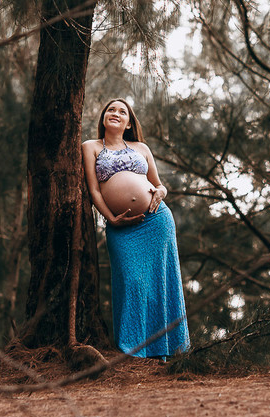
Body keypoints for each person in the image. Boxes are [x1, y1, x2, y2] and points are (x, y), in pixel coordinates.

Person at [81, 98, 190, 359]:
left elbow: (159, 185)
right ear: (104, 118)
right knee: (132, 282)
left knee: (160, 283)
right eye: (111, 110)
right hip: (121, 229)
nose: (115, 113)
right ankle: (134, 350)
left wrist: (161, 192)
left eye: (122, 112)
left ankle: (166, 350)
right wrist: (111, 219)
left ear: (129, 123)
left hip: (156, 221)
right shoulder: (90, 147)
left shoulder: (141, 148)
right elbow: (94, 191)